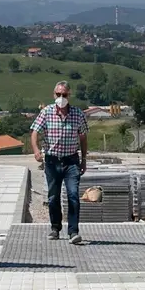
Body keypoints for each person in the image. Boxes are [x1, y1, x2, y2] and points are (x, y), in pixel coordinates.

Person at [31, 81, 89, 243]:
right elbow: (35, 132)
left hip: (71, 160)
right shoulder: (46, 112)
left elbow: (83, 137)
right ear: (53, 95)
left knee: (73, 195)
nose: (61, 98)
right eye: (58, 94)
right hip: (52, 160)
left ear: (69, 95)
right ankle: (55, 228)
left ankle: (73, 231)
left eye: (64, 95)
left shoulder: (77, 114)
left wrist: (84, 159)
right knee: (53, 196)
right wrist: (36, 150)